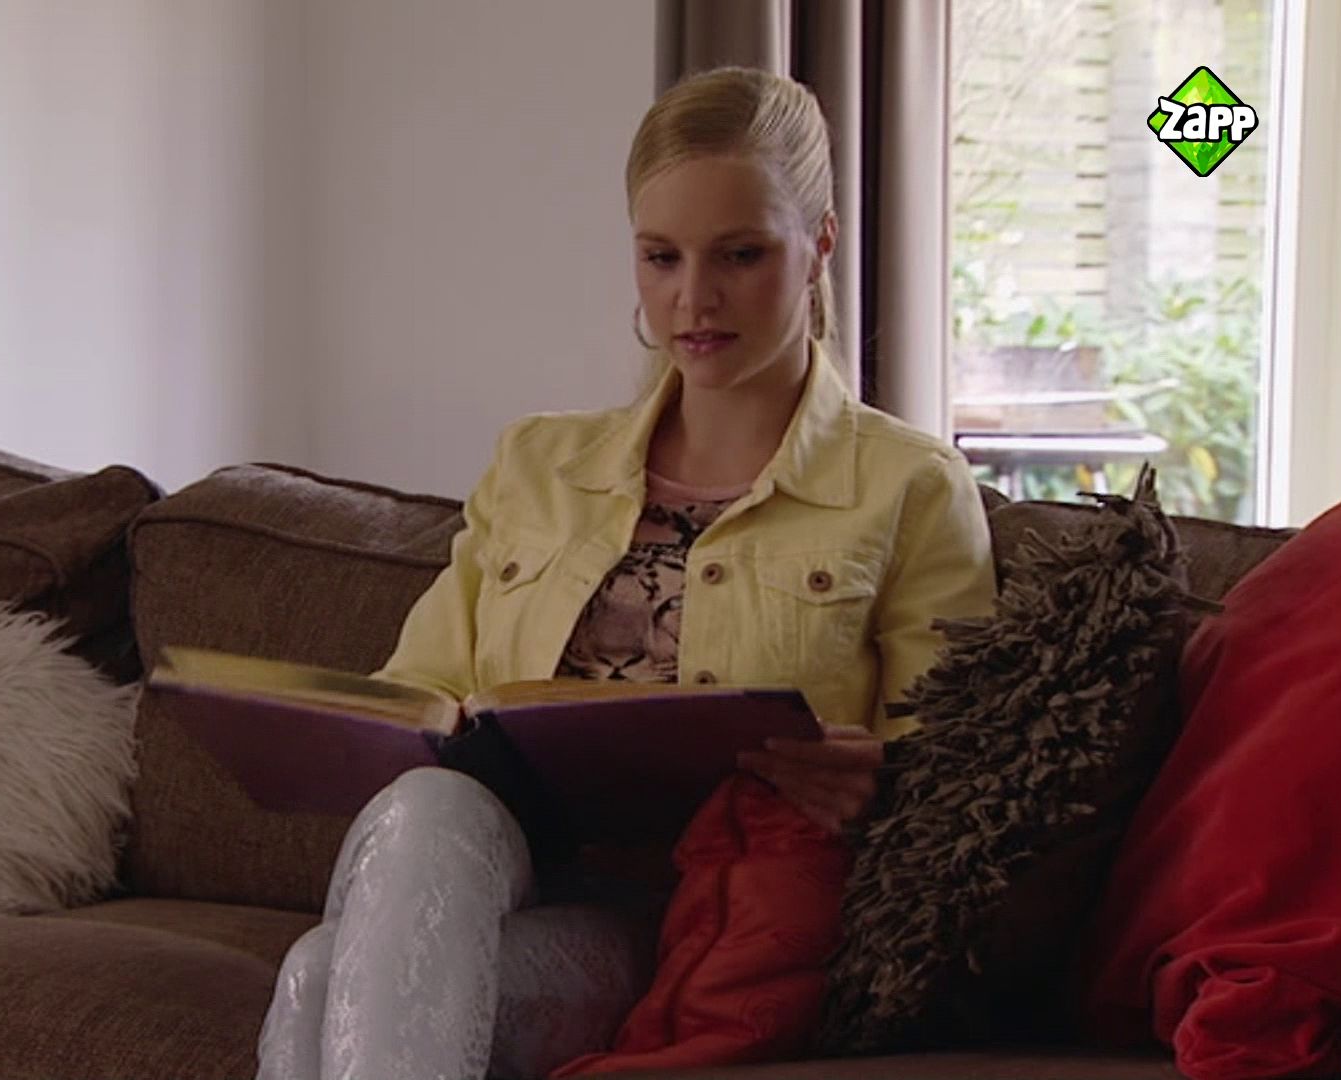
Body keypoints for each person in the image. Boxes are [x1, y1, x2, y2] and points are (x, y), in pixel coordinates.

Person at [255, 66, 996, 1080]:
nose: (694, 298)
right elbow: (417, 692)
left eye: (741, 254)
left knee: (317, 977)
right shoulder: (539, 462)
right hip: (505, 875)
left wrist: (883, 782)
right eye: (661, 257)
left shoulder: (909, 485)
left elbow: (965, 781)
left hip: (700, 923)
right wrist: (331, 731)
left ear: (820, 242)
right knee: (425, 810)